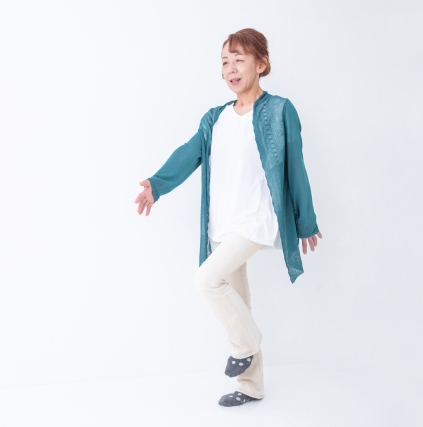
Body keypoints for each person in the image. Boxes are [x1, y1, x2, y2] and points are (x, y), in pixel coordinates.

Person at [133, 28, 323, 407]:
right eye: (224, 62)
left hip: (255, 218)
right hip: (221, 220)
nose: (230, 68)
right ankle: (251, 386)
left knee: (207, 280)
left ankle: (247, 344)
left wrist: (305, 220)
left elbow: (296, 166)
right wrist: (157, 183)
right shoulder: (215, 118)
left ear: (261, 64)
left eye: (239, 59)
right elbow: (189, 153)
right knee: (238, 301)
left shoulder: (280, 110)